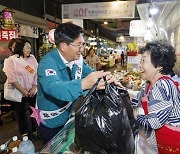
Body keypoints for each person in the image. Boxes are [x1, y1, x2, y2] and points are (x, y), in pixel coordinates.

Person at [36, 22, 115, 145]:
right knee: (54, 148)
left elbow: (91, 73)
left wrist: (107, 78)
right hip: (50, 121)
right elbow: (54, 88)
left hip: (68, 115)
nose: (82, 49)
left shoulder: (78, 60)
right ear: (63, 46)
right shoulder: (47, 63)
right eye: (78, 45)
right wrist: (83, 84)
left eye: (82, 45)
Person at [131, 40, 180, 154]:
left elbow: (155, 121)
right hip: (160, 142)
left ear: (159, 66)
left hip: (172, 143)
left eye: (143, 60)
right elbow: (136, 100)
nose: (140, 65)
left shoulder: (161, 85)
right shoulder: (149, 84)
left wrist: (135, 115)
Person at [3, 38, 38, 140]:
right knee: (21, 113)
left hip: (32, 91)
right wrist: (23, 91)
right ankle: (24, 133)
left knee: (34, 111)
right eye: (27, 47)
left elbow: (37, 73)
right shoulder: (11, 60)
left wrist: (34, 87)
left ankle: (35, 130)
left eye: (30, 48)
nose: (29, 50)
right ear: (20, 48)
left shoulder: (32, 58)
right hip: (19, 92)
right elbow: (12, 78)